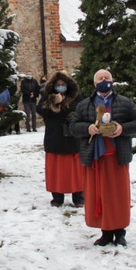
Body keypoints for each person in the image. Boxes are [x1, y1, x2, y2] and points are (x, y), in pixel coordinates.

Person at [69, 69, 136, 247]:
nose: (104, 80)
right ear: (95, 84)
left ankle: (120, 232)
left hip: (117, 156)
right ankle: (105, 231)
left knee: (117, 196)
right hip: (95, 158)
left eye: (107, 77)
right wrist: (88, 128)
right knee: (99, 196)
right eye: (100, 78)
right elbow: (72, 126)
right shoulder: (84, 105)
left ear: (112, 80)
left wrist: (122, 129)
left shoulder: (124, 103)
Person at [37, 70, 83, 207]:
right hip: (54, 137)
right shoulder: (47, 96)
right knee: (55, 171)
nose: (61, 86)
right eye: (58, 84)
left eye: (63, 84)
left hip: (72, 138)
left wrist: (66, 106)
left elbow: (80, 111)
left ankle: (79, 197)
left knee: (76, 171)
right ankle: (57, 198)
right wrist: (53, 102)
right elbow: (40, 110)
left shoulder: (76, 97)